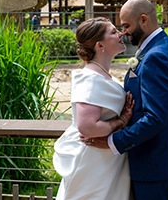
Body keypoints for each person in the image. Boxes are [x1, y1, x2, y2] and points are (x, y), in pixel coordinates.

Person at [85, 0, 168, 199]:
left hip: (155, 163)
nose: (123, 32)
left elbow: (155, 118)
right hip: (155, 161)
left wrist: (113, 141)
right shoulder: (159, 46)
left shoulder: (155, 56)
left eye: (126, 26)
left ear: (144, 20)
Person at [53, 17, 134, 200]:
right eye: (113, 32)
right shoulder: (89, 78)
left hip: (107, 159)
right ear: (100, 45)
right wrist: (120, 121)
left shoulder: (103, 75)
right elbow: (87, 127)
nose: (120, 34)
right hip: (93, 160)